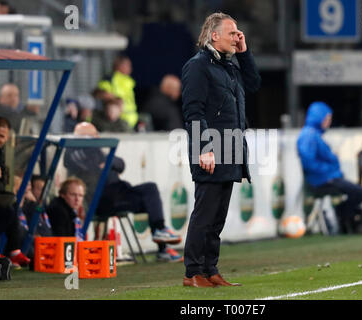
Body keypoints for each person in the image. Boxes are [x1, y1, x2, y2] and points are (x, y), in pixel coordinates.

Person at [181, 12, 261, 287]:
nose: (237, 37)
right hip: (211, 150)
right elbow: (193, 111)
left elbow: (254, 84)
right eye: (232, 33)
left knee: (217, 218)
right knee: (204, 214)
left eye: (239, 33)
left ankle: (209, 269)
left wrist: (245, 52)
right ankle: (192, 273)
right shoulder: (198, 66)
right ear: (214, 35)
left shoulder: (230, 65)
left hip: (230, 148)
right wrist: (204, 148)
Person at [63, 122, 182, 262]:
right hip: (102, 199)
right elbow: (91, 170)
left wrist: (106, 163)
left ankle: (161, 238)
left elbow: (120, 164)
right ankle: (162, 242)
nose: (97, 137)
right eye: (93, 135)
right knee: (149, 195)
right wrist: (104, 165)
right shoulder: (73, 151)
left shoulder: (98, 150)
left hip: (120, 191)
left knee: (150, 190)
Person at [297, 101, 362, 234]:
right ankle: (342, 216)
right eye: (327, 118)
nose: (329, 122)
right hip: (322, 181)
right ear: (318, 117)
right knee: (361, 193)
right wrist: (328, 175)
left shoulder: (314, 135)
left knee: (359, 192)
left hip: (328, 178)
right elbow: (308, 163)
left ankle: (343, 217)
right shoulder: (308, 135)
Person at [0, 116, 31, 268]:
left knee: (12, 205)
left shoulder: (3, 153)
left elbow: (5, 177)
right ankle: (12, 250)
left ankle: (14, 250)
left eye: (1, 136)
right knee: (6, 210)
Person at [95, 55, 140, 131]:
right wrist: (115, 100)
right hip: (119, 118)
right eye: (127, 65)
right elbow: (100, 93)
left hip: (133, 119)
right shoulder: (110, 78)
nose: (130, 68)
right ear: (119, 65)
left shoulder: (129, 80)